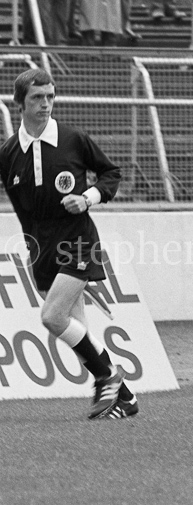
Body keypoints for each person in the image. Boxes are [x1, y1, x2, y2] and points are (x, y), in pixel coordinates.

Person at [0, 69, 138, 420]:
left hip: (77, 239)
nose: (45, 104)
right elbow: (20, 208)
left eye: (50, 96)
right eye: (37, 98)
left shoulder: (73, 139)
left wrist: (88, 197)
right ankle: (126, 398)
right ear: (20, 104)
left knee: (52, 316)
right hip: (40, 246)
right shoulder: (9, 153)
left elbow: (111, 173)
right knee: (80, 335)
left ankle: (107, 376)